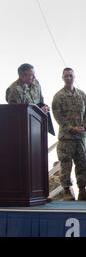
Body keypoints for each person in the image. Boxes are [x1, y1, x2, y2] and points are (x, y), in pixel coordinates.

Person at [6, 63, 53, 202]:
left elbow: (39, 103)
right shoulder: (14, 89)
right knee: (25, 165)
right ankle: (27, 195)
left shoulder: (37, 84)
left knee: (40, 161)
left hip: (37, 131)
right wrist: (38, 111)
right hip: (22, 135)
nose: (34, 77)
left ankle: (41, 194)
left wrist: (43, 108)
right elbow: (16, 113)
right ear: (22, 75)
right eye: (31, 75)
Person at [51, 68, 86, 201]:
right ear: (62, 77)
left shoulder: (81, 95)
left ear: (74, 77)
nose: (68, 78)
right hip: (66, 137)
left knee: (82, 163)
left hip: (80, 138)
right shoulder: (58, 96)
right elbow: (58, 116)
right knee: (66, 165)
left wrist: (85, 127)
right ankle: (66, 192)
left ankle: (82, 191)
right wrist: (71, 128)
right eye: (66, 76)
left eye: (70, 75)